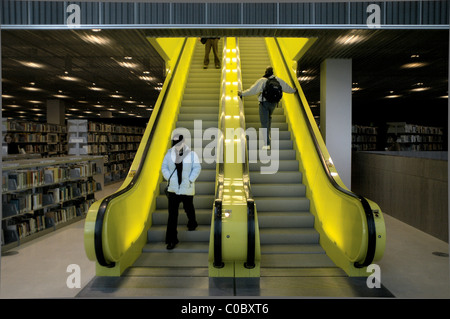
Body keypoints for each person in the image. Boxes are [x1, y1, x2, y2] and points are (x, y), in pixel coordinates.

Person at [238, 66, 296, 149]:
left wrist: (242, 94)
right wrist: (294, 90)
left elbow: (252, 90)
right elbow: (286, 87)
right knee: (268, 119)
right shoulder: (277, 80)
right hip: (273, 104)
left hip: (264, 103)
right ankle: (268, 136)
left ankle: (266, 144)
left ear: (266, 72)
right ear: (272, 72)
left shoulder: (262, 80)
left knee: (264, 122)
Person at [161, 134, 201, 250]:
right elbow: (164, 167)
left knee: (189, 208)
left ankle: (192, 223)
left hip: (186, 187)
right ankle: (171, 240)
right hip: (173, 189)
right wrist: (169, 177)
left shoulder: (192, 154)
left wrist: (190, 179)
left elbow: (197, 168)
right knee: (172, 215)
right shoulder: (169, 154)